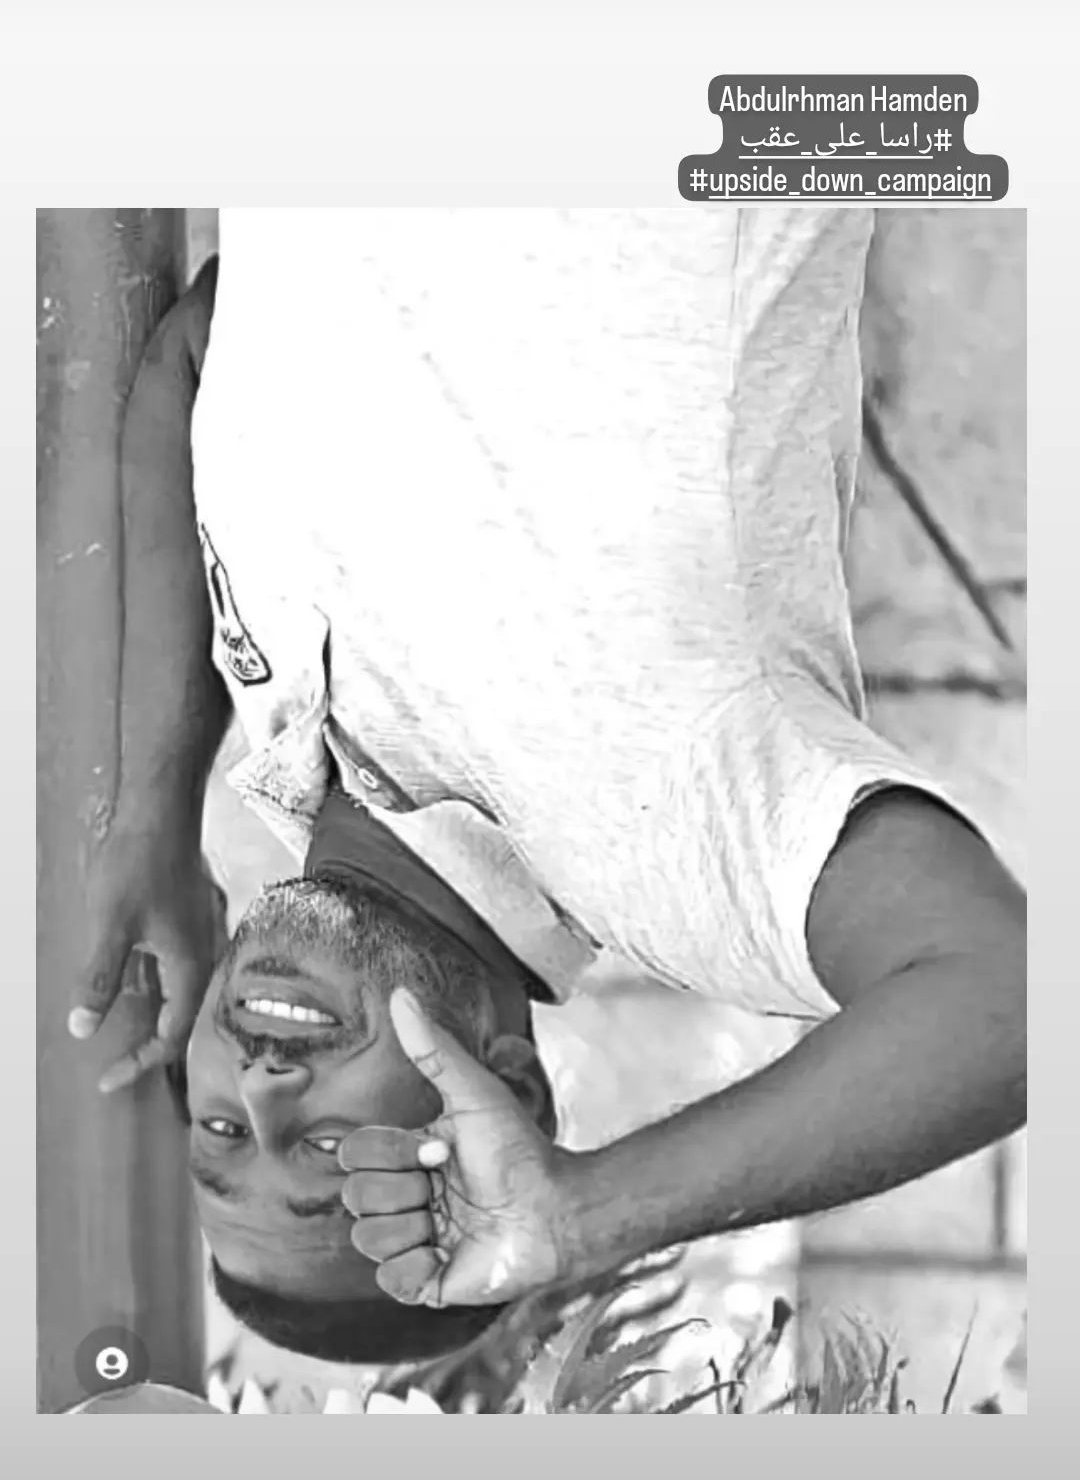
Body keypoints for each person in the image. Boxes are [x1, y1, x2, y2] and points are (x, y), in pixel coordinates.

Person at [71, 208, 1026, 1365]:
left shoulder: (270, 707)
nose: (266, 1091)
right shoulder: (673, 842)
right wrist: (577, 1215)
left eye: (222, 1129)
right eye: (324, 1152)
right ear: (509, 1089)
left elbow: (198, 346)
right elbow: (1010, 998)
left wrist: (154, 818)